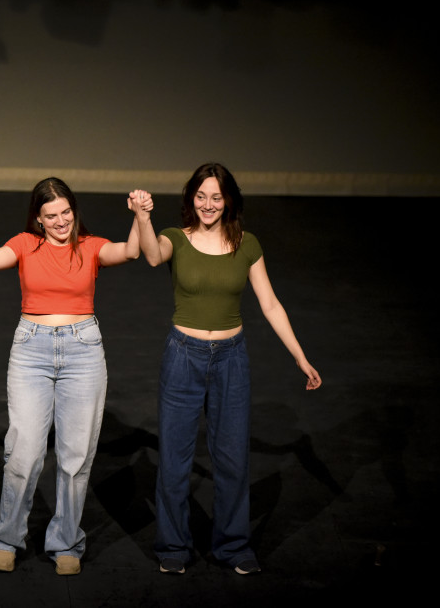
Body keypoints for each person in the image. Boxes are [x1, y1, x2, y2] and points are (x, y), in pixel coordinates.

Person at [137, 162, 322, 576]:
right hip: (183, 357)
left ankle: (234, 546)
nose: (208, 204)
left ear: (229, 200)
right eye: (201, 196)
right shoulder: (175, 239)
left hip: (231, 360)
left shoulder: (247, 244)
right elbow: (151, 256)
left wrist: (299, 356)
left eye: (216, 197)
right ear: (191, 199)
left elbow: (270, 304)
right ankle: (173, 546)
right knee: (175, 458)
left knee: (233, 457)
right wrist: (142, 216)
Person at [0, 176, 153, 575]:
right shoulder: (25, 244)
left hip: (83, 349)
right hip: (31, 349)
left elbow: (133, 251)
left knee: (75, 455)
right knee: (23, 451)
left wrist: (141, 216)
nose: (60, 221)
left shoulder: (90, 247)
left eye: (66, 212)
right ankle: (7, 537)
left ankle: (66, 541)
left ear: (74, 211)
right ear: (38, 219)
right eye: (51, 215)